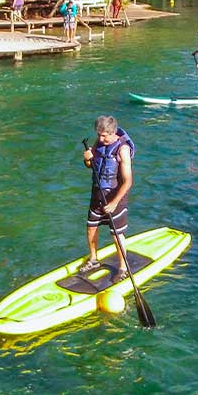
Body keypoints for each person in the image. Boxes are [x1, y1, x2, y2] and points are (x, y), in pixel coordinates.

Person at [79, 115, 134, 278]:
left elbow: (128, 181)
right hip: (97, 193)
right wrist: (87, 160)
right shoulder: (98, 143)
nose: (100, 138)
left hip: (115, 197)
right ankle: (94, 259)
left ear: (113, 132)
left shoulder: (122, 149)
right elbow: (92, 166)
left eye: (104, 135)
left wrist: (114, 202)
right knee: (91, 227)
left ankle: (123, 268)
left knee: (117, 235)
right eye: (98, 135)